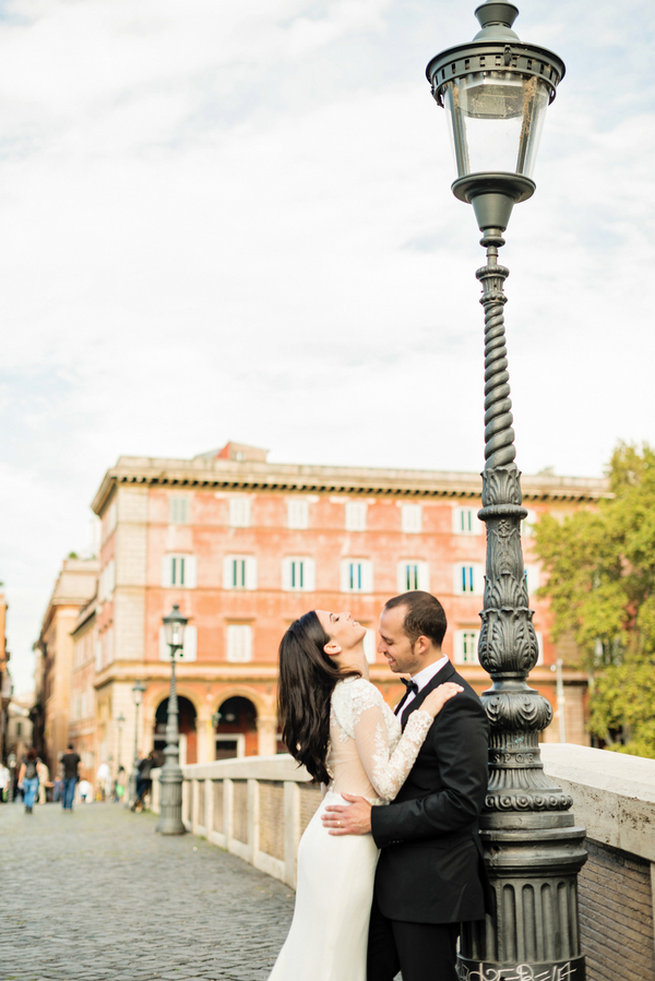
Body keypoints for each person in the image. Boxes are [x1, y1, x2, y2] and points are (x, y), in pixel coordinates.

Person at [267, 608, 463, 981]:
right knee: (333, 962)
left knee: (321, 954)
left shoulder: (337, 693)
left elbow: (337, 777)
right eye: (335, 619)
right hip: (348, 843)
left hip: (330, 834)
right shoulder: (359, 692)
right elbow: (386, 785)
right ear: (333, 646)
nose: (346, 613)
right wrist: (428, 711)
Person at [322, 591, 489, 981]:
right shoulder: (410, 695)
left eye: (389, 641)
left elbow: (462, 802)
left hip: (431, 885)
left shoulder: (458, 703)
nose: (379, 648)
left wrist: (375, 821)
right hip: (394, 883)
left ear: (421, 643)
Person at [17, 748, 40, 814]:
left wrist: (20, 781)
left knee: (26, 793)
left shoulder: (25, 761)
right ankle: (30, 807)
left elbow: (22, 771)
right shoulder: (36, 760)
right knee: (31, 794)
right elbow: (38, 770)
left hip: (26, 779)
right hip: (34, 780)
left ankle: (26, 806)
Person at [60, 744, 81, 810]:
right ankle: (70, 805)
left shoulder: (65, 756)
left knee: (65, 791)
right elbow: (80, 765)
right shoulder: (76, 756)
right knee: (71, 791)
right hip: (73, 775)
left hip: (66, 775)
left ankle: (64, 805)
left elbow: (60, 765)